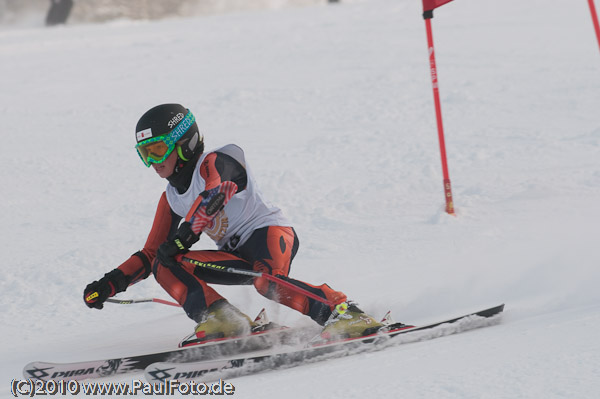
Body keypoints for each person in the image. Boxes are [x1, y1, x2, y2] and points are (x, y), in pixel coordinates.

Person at [83, 103, 382, 342]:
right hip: (235, 255)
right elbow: (150, 254)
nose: (153, 162)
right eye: (144, 154)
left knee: (267, 281)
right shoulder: (171, 197)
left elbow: (217, 192)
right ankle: (223, 318)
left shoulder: (219, 159)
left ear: (183, 143)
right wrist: (111, 282)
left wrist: (186, 235)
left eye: (158, 150)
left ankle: (343, 312)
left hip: (268, 233)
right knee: (165, 261)